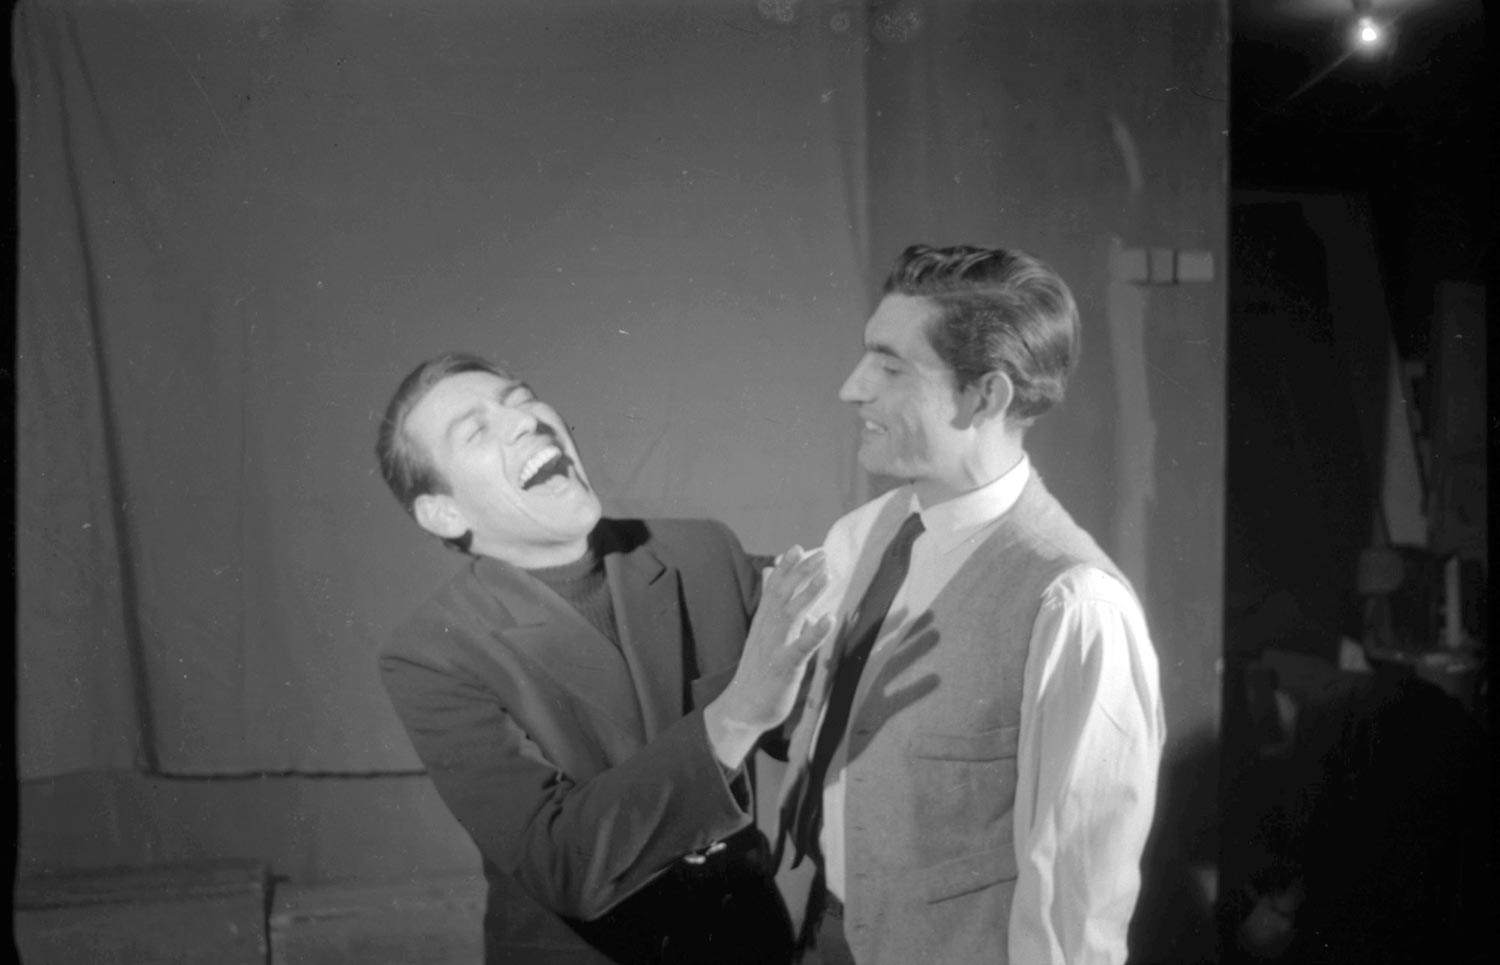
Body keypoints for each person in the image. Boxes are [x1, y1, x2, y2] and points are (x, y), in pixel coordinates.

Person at [776, 244, 1166, 964]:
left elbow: (1077, 904)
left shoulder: (1076, 606)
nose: (853, 388)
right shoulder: (859, 537)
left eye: (891, 367)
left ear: (985, 396)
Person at [375, 352, 831, 964]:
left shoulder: (703, 549)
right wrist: (736, 717)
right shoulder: (433, 653)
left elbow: (818, 696)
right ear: (444, 513)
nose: (526, 420)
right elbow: (562, 864)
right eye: (477, 430)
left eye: (521, 399)